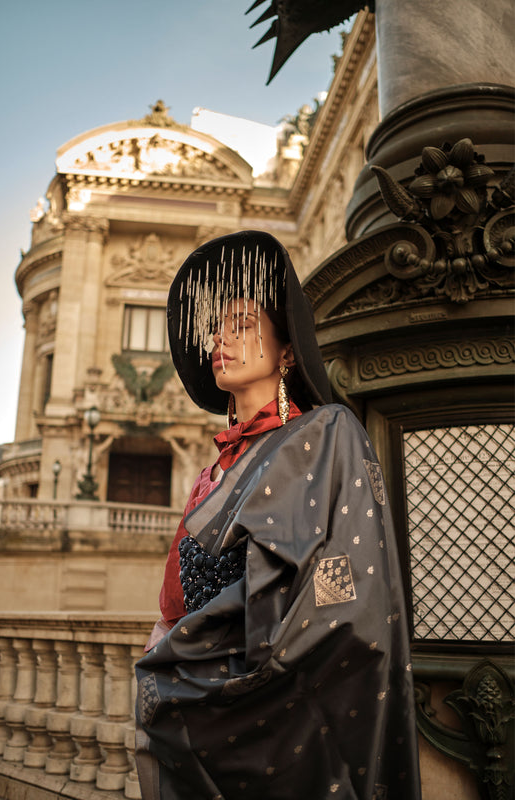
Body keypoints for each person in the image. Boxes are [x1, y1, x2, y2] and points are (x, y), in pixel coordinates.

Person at [135, 230, 422, 800]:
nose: (221, 338)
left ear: (286, 351)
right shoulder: (209, 474)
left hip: (287, 704)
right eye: (217, 327)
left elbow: (351, 590)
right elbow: (172, 607)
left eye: (242, 325)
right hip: (194, 701)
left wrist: (248, 672)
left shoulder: (326, 434)